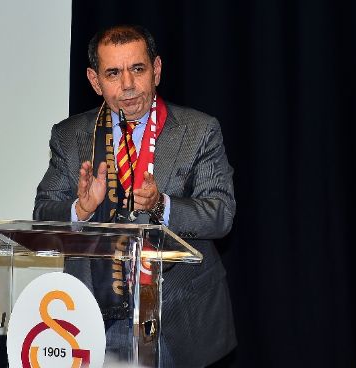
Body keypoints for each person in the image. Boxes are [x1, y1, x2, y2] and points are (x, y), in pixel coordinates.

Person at [34, 25, 236, 367]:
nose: (127, 84)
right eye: (113, 73)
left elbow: (221, 214)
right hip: (97, 315)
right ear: (95, 81)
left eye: (137, 69)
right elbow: (42, 214)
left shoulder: (199, 130)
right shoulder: (70, 136)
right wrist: (81, 209)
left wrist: (162, 205)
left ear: (156, 70)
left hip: (177, 315)